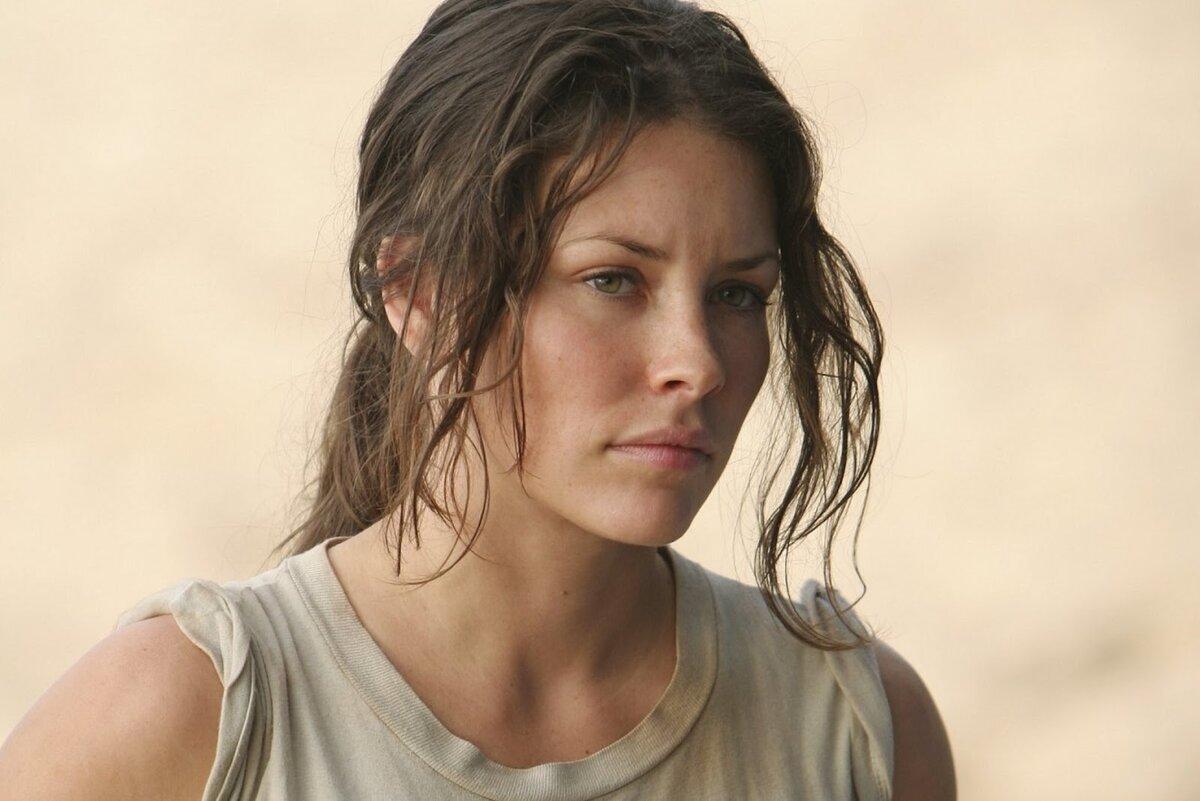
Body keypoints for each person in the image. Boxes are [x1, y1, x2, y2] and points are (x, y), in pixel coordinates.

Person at [0, 0, 955, 798]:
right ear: (417, 292)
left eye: (737, 294)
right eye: (613, 280)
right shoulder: (183, 720)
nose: (697, 362)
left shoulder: (859, 731)